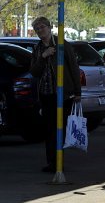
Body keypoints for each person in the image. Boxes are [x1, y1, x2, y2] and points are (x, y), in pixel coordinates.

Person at [30, 17, 81, 172]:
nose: (40, 31)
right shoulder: (38, 49)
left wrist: (77, 92)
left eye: (42, 27)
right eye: (37, 29)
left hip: (63, 95)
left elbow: (73, 67)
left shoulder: (61, 44)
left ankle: (58, 162)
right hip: (46, 95)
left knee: (60, 128)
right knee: (50, 129)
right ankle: (52, 162)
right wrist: (43, 56)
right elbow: (34, 72)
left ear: (49, 27)